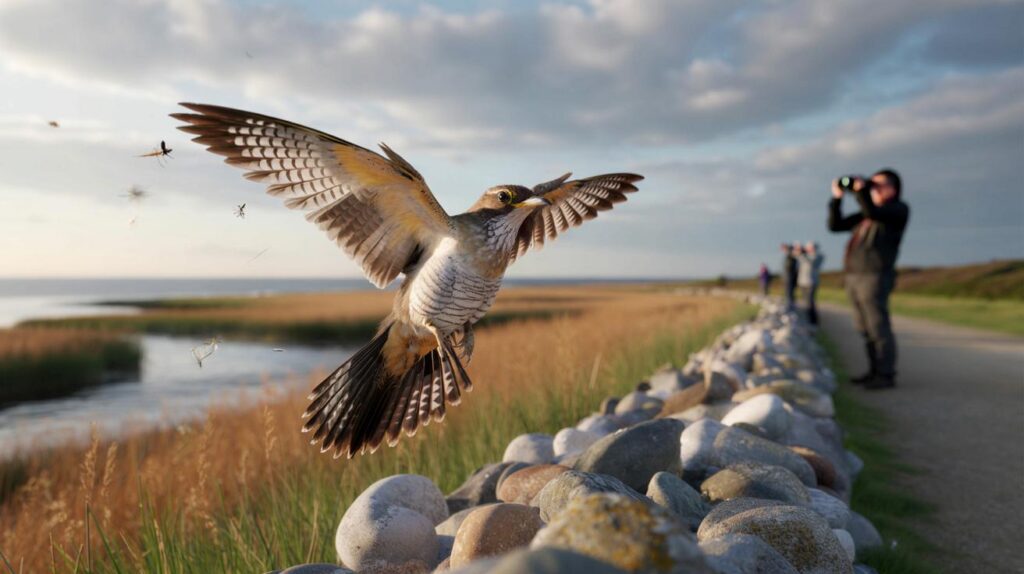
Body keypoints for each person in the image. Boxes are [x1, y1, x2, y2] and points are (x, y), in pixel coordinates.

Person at [828, 168, 910, 390]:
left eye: (879, 184)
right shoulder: (868, 213)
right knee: (864, 327)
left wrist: (861, 191)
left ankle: (886, 374)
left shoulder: (897, 210)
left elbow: (874, 214)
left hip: (875, 274)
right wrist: (837, 198)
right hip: (855, 275)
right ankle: (874, 370)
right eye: (872, 184)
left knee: (878, 326)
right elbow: (835, 226)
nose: (874, 188)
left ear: (893, 188)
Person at [797, 241, 824, 325]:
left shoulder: (818, 256)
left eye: (809, 247)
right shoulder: (806, 256)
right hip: (803, 282)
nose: (807, 249)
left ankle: (813, 320)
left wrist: (802, 254)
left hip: (811, 282)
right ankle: (809, 319)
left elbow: (811, 263)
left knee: (810, 302)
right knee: (806, 302)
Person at [780, 243, 798, 310]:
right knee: (788, 292)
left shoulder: (790, 255)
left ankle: (791, 306)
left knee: (789, 292)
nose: (782, 250)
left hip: (790, 277)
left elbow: (789, 267)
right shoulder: (789, 256)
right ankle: (790, 305)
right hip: (788, 277)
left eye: (783, 248)